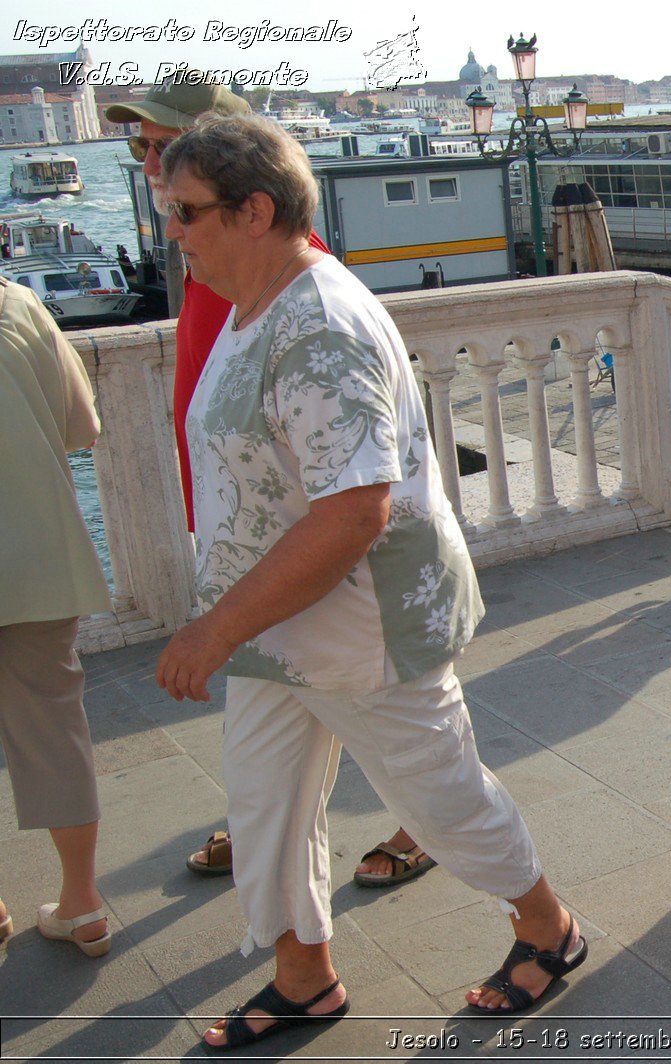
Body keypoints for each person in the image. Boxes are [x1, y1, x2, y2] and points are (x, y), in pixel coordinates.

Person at [153, 115, 586, 1050]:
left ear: (254, 210)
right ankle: (304, 976)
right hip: (275, 627)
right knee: (265, 802)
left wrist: (213, 628)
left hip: (359, 626)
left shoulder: (319, 327)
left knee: (437, 796)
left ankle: (549, 931)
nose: (171, 230)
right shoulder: (248, 303)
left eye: (185, 212)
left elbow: (352, 514)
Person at [103, 72, 425, 888]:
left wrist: (220, 622)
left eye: (163, 145)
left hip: (315, 568)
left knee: (422, 755)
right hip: (263, 561)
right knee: (280, 759)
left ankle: (457, 854)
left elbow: (348, 493)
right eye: (142, 147)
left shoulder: (284, 277)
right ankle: (294, 919)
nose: (151, 164)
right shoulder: (213, 251)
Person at [0, 277, 115, 960]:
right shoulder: (17, 302)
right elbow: (83, 426)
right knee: (56, 728)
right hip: (40, 555)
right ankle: (82, 903)